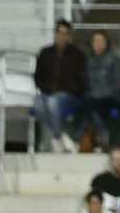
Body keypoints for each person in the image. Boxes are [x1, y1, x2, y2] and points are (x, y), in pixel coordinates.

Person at [34, 19, 87, 151]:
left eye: (65, 33)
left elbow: (83, 80)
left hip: (69, 96)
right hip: (47, 93)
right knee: (37, 105)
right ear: (55, 34)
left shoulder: (78, 55)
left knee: (52, 102)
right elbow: (38, 76)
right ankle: (61, 136)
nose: (62, 37)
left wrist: (71, 90)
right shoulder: (45, 53)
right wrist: (46, 88)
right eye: (59, 33)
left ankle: (57, 138)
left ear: (70, 36)